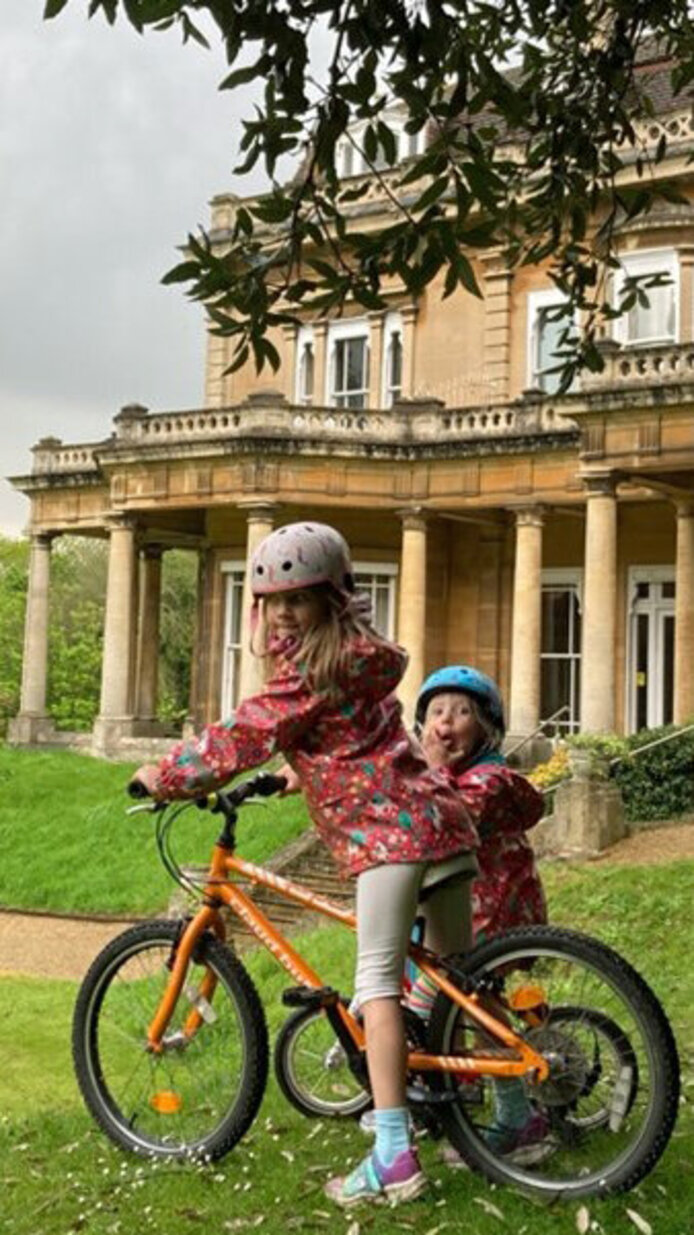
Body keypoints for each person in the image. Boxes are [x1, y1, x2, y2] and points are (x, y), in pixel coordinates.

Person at [130, 522, 479, 1209]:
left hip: (388, 835)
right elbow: (362, 738)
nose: (285, 611)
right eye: (273, 599)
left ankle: (392, 1155)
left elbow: (243, 736)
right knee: (457, 980)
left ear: (332, 597)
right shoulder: (362, 660)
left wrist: (167, 775)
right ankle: (503, 1115)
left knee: (376, 983)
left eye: (301, 596)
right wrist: (301, 775)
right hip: (439, 818)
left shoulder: (306, 675)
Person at [410, 664, 549, 1160]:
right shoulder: (451, 772)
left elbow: (448, 818)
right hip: (469, 909)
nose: (446, 722)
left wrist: (430, 767)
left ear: (485, 728)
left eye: (462, 712)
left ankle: (515, 1118)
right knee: (471, 1009)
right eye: (436, 712)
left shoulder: (487, 778)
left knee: (436, 1003)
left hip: (491, 912)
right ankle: (456, 1097)